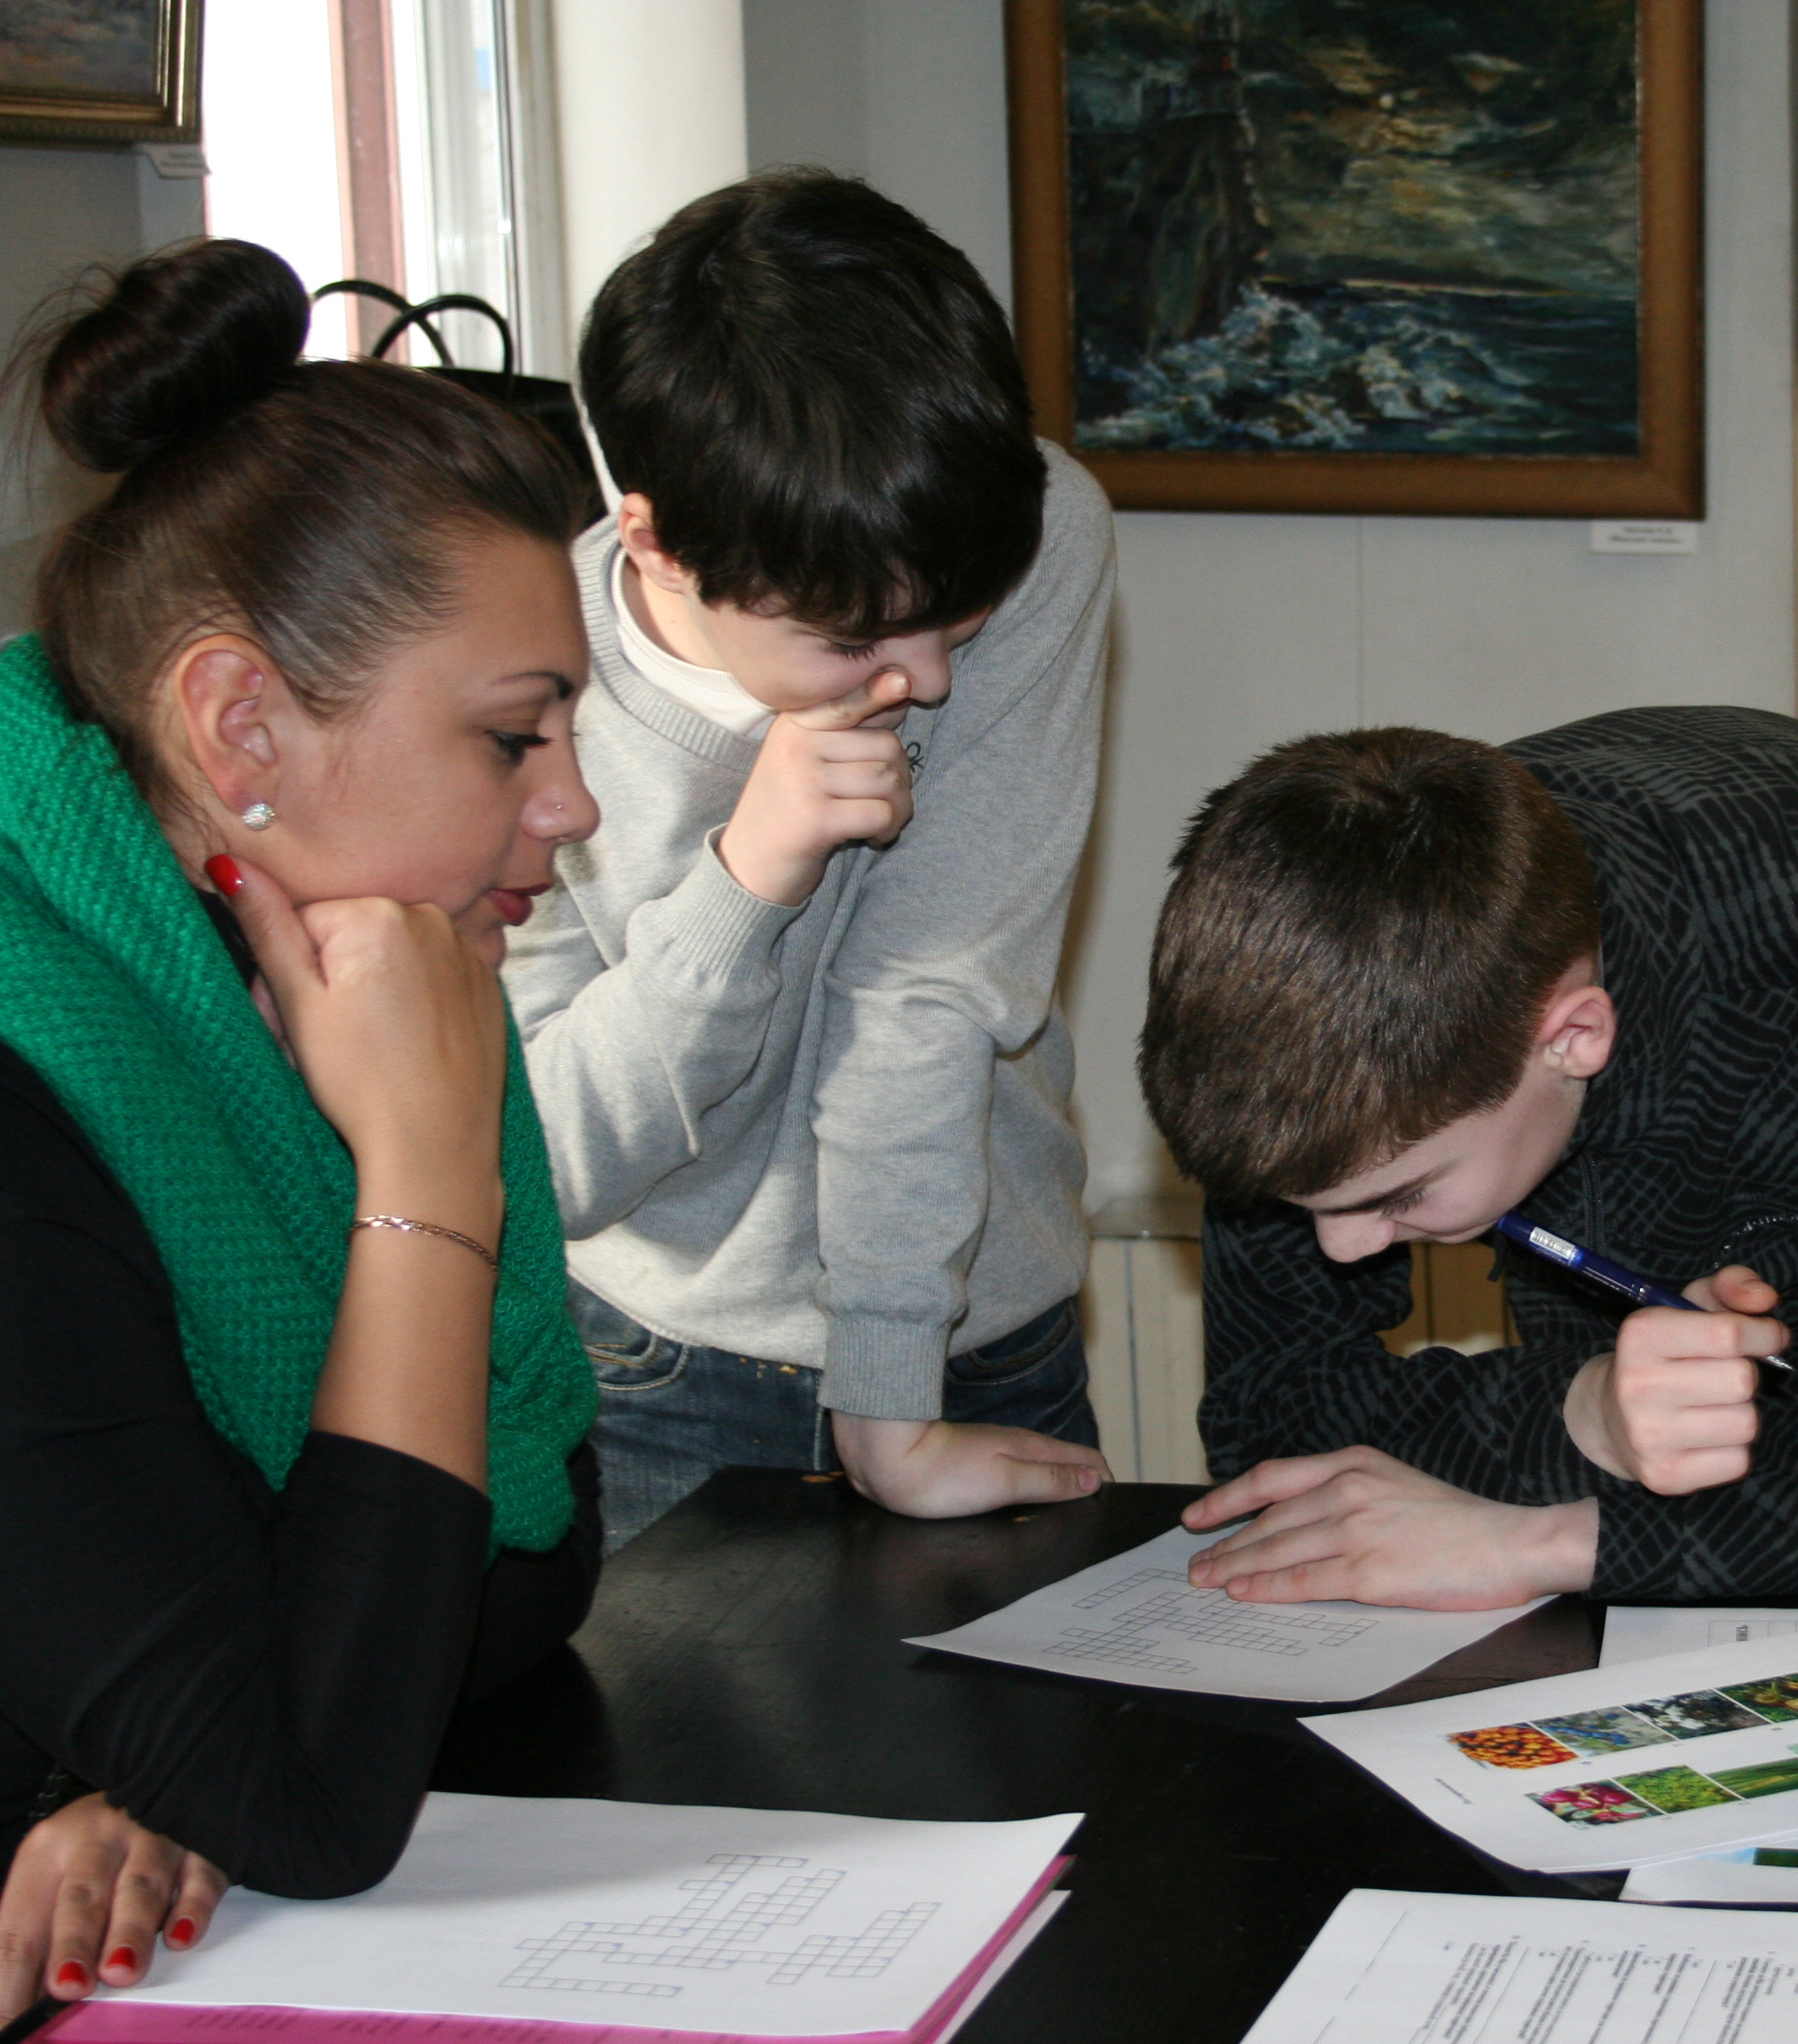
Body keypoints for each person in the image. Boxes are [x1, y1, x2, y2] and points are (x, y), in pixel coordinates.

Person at [0, 241, 603, 2003]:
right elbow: (320, 1795)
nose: (572, 805)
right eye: (515, 737)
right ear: (238, 723)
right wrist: (426, 1179)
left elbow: (532, 1567)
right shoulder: (34, 1076)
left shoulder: (339, 987)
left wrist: (178, 1755)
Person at [1140, 710, 1798, 1609]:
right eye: (1301, 1206)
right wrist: (1579, 1412)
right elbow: (1268, 1426)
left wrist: (1546, 1544)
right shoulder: (1332, 979)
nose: (1342, 1249)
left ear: (1573, 1037)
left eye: (1403, 1193)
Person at [502, 172, 1112, 1549]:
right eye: (856, 642)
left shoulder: (1028, 526)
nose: (929, 681)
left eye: (960, 617)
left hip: (975, 1336)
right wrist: (746, 879)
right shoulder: (519, 675)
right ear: (658, 544)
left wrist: (889, 1394)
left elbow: (926, 990)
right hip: (660, 1371)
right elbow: (546, 1164)